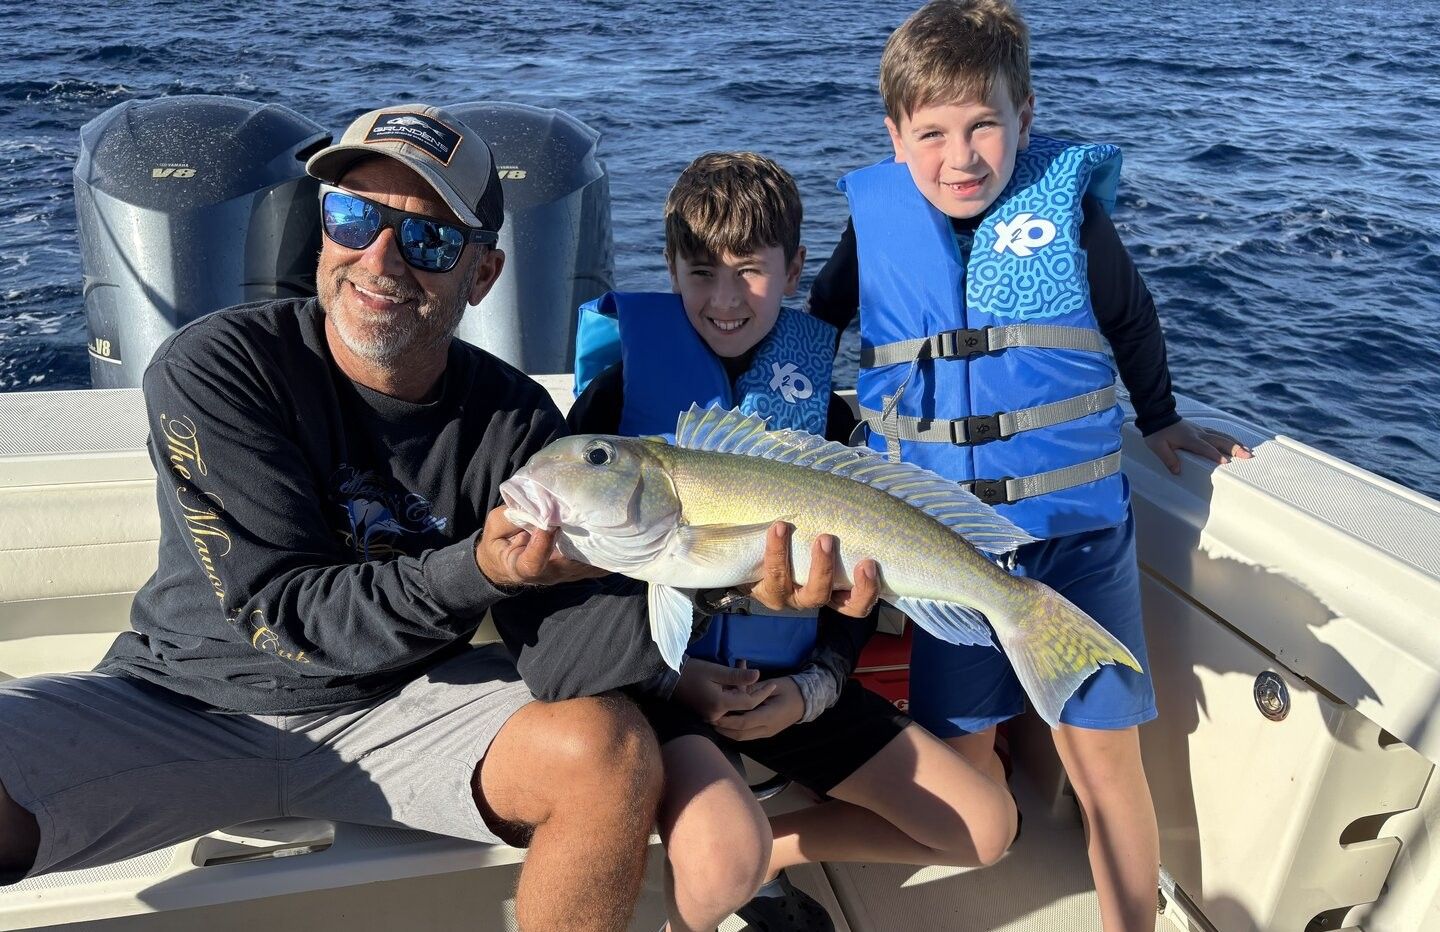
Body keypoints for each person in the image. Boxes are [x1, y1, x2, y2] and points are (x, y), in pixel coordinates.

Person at [0, 103, 679, 932]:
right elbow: (282, 614)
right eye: (353, 216)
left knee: (608, 752)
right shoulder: (220, 365)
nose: (380, 259)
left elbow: (572, 659)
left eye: (428, 240)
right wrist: (485, 568)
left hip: (399, 709)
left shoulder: (513, 418)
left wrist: (705, 580)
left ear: (484, 276)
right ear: (319, 229)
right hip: (182, 703)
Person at [806, 4, 1253, 929]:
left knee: (1105, 768)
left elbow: (1130, 319)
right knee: (968, 787)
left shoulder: (1069, 220)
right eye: (931, 133)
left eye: (982, 126)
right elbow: (814, 337)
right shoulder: (876, 230)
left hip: (1076, 542)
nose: (960, 156)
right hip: (941, 554)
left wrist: (1162, 421)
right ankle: (779, 841)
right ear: (895, 138)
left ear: (1024, 118)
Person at [569, 151, 1018, 932]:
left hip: (792, 687)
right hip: (661, 691)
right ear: (670, 267)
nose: (724, 297)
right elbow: (578, 582)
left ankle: (773, 854)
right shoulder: (614, 414)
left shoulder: (830, 430)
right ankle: (715, 886)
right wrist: (677, 681)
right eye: (701, 271)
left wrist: (812, 689)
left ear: (794, 268)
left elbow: (858, 589)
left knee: (986, 827)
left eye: (749, 271)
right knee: (718, 858)